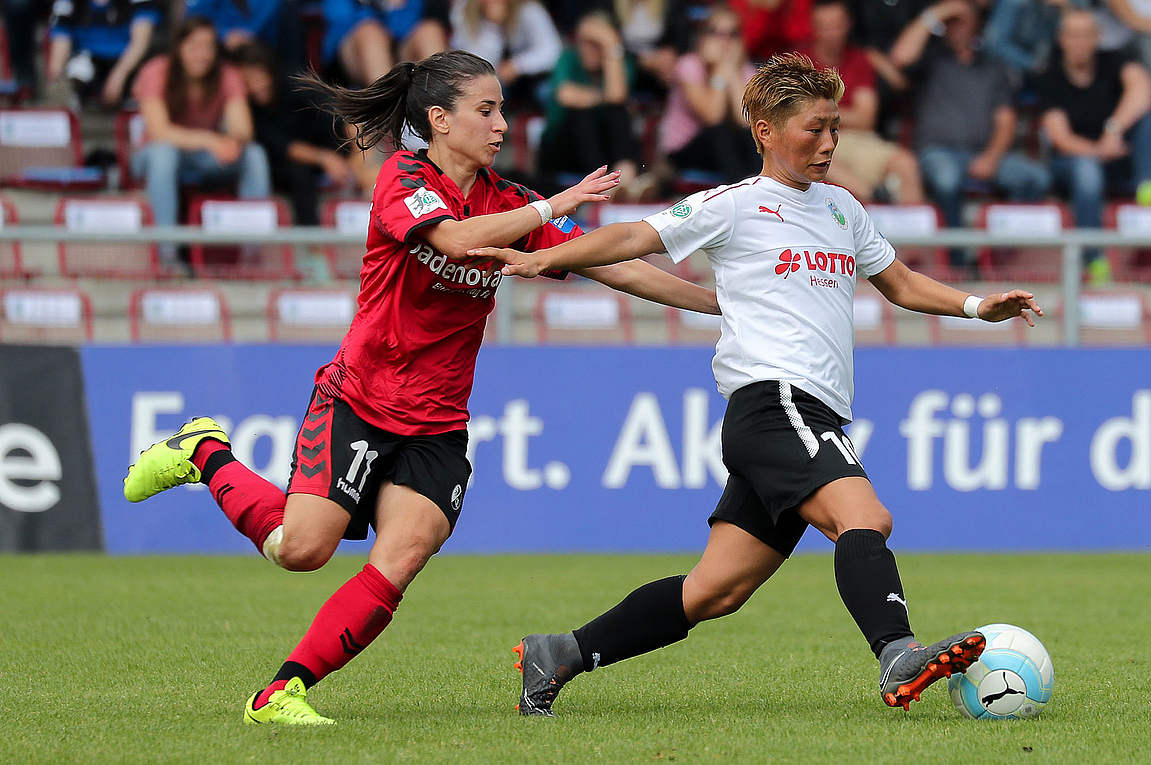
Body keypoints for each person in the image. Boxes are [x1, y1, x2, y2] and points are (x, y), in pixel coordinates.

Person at [121, 50, 719, 726]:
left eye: (502, 110)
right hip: (359, 400)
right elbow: (457, 241)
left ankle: (281, 692)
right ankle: (205, 453)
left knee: (401, 557)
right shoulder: (402, 178)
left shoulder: (510, 201)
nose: (501, 124)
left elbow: (615, 266)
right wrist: (553, 204)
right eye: (485, 110)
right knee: (301, 550)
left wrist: (717, 304)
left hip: (437, 425)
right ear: (439, 119)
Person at [469, 53, 1044, 718]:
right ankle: (897, 652)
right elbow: (634, 235)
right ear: (765, 131)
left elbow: (902, 283)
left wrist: (977, 306)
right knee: (865, 517)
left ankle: (558, 653)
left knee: (715, 590)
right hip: (775, 402)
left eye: (834, 128)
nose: (828, 143)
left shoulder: (843, 209)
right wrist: (543, 257)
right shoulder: (735, 205)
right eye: (814, 129)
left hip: (804, 413)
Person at [892, 0, 1050, 251]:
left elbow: (1006, 119)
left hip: (983, 155)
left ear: (977, 24)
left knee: (1035, 178)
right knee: (947, 179)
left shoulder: (994, 66)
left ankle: (1002, 252)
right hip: (937, 152)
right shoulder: (931, 59)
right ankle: (956, 257)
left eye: (963, 21)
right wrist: (938, 12)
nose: (958, 27)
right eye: (952, 22)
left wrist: (991, 158)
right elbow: (900, 56)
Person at [131, 16, 270, 269]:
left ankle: (252, 254)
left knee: (254, 154)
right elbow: (159, 132)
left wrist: (232, 141)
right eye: (194, 45)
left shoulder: (226, 74)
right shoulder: (156, 70)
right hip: (153, 157)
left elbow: (243, 129)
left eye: (208, 46)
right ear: (179, 47)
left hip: (203, 158)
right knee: (164, 153)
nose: (202, 54)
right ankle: (168, 254)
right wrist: (210, 140)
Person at [1038, 8, 1151, 279]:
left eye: (1086, 35)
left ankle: (1148, 186)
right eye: (1073, 35)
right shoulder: (1049, 76)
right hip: (1069, 165)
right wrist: (1100, 150)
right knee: (1087, 170)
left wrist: (1113, 129)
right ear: (1061, 39)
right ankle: (1092, 258)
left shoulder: (1113, 60)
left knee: (1143, 117)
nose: (1080, 42)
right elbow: (1061, 138)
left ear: (1097, 38)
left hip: (1115, 155)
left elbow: (1144, 89)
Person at [804, 0, 922, 203]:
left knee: (906, 164)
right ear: (813, 27)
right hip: (813, 142)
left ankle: (911, 224)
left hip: (857, 140)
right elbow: (797, 117)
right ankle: (875, 198)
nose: (831, 34)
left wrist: (819, 113)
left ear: (848, 25)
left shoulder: (858, 60)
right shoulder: (799, 61)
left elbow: (866, 119)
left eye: (836, 26)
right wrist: (843, 115)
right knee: (817, 156)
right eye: (824, 27)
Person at [235, 43, 354, 226]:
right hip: (280, 164)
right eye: (247, 81)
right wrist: (325, 158)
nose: (256, 86)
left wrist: (357, 156)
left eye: (258, 77)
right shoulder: (249, 109)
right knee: (299, 172)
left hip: (327, 149)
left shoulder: (294, 83)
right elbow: (284, 147)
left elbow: (337, 109)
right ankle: (310, 236)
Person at [539, 10, 644, 196]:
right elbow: (566, 95)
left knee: (618, 112)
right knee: (582, 113)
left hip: (604, 145)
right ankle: (605, 183)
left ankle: (625, 175)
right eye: (583, 42)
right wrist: (603, 98)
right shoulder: (569, 58)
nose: (587, 50)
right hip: (562, 148)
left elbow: (617, 96)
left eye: (595, 44)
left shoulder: (620, 62)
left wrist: (611, 45)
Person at [659, 4, 762, 184]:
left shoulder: (745, 69)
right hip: (684, 150)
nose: (725, 41)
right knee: (720, 131)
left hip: (725, 151)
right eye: (717, 33)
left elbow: (747, 121)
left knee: (754, 135)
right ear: (703, 37)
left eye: (732, 34)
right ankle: (741, 190)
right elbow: (712, 117)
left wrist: (732, 72)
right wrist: (720, 71)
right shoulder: (688, 65)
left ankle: (757, 187)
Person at [47, 0, 159, 108]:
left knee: (148, 75)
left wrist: (118, 77)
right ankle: (78, 103)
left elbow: (140, 44)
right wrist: (57, 79)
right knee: (78, 69)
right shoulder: (66, 4)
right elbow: (60, 47)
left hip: (127, 62)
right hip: (87, 61)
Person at [448, 0, 562, 103]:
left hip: (535, 78)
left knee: (547, 91)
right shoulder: (464, 11)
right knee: (487, 92)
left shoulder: (528, 9)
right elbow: (476, 62)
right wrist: (493, 24)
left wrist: (517, 65)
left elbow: (553, 52)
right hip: (492, 78)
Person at [324, 0, 449, 85]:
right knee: (370, 33)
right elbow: (341, 22)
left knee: (430, 31)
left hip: (403, 49)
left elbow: (411, 21)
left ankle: (441, 103)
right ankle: (387, 106)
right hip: (352, 56)